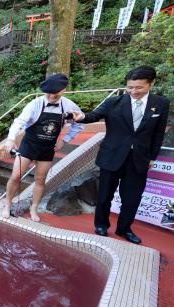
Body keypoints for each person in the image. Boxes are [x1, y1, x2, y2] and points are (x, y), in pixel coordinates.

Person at [72, 66, 170, 244]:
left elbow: (158, 133)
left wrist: (152, 157)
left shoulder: (161, 103)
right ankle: (101, 224)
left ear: (151, 83)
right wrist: (82, 117)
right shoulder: (114, 102)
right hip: (112, 156)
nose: (134, 91)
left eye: (139, 87)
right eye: (130, 87)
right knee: (104, 195)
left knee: (132, 199)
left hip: (139, 159)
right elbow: (95, 115)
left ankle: (125, 229)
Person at [2, 73, 83, 222]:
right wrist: (10, 139)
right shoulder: (35, 103)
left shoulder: (69, 106)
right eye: (48, 93)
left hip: (47, 148)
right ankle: (7, 204)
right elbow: (19, 122)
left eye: (55, 93)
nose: (51, 96)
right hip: (29, 144)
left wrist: (64, 141)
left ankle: (34, 208)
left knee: (40, 180)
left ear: (63, 90)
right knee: (15, 176)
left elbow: (79, 125)